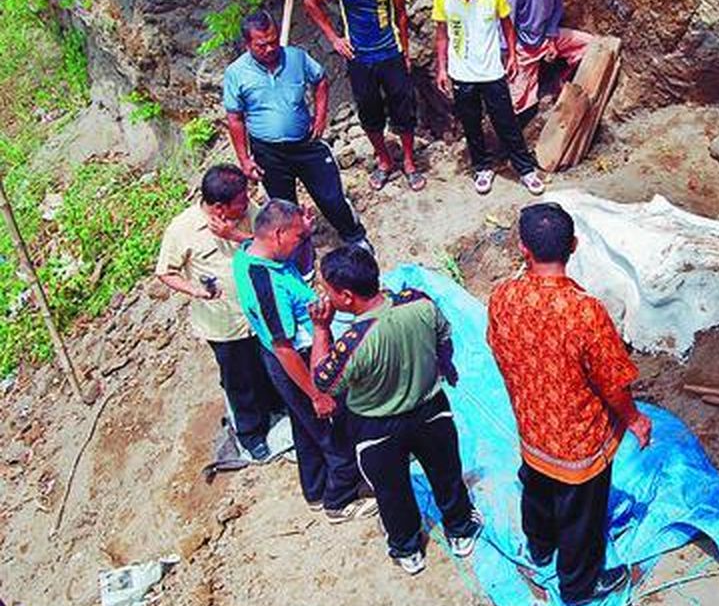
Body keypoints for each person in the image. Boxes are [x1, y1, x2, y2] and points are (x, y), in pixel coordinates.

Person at [486, 202, 652, 606]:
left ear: (523, 248)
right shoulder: (585, 312)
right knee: (582, 517)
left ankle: (540, 548)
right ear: (574, 246)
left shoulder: (504, 296)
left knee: (537, 488)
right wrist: (634, 419)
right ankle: (578, 588)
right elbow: (612, 380)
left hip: (531, 425)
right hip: (577, 439)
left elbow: (496, 347)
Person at [309, 245, 482, 575]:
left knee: (392, 491)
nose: (324, 295)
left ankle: (407, 548)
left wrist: (320, 330)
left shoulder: (354, 341)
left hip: (376, 428)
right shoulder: (419, 302)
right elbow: (444, 335)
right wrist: (444, 365)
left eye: (327, 289)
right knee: (446, 474)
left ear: (345, 297)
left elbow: (323, 383)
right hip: (431, 410)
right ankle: (460, 529)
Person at [231, 199, 376, 522]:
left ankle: (315, 489)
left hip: (292, 355)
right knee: (330, 429)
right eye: (298, 237)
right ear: (279, 234)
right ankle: (339, 500)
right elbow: (283, 346)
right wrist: (316, 393)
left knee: (304, 426)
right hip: (296, 361)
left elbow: (252, 242)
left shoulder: (249, 254)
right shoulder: (265, 284)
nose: (302, 242)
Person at [155, 164, 281, 461]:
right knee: (239, 379)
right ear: (219, 207)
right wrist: (195, 290)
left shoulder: (248, 211)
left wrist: (235, 234)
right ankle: (251, 433)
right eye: (240, 201)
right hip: (222, 322)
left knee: (267, 363)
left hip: (258, 312)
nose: (247, 203)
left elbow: (266, 244)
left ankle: (276, 406)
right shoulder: (182, 230)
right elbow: (165, 272)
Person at [223, 10, 371, 253]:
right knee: (284, 209)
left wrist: (321, 117)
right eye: (262, 45)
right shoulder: (236, 73)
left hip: (306, 143)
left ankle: (354, 236)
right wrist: (244, 159)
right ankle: (299, 253)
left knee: (331, 197)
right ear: (248, 44)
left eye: (273, 41)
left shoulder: (297, 58)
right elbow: (235, 118)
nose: (270, 49)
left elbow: (320, 80)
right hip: (268, 152)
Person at [303, 0, 425, 192]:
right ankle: (383, 160)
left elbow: (401, 14)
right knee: (369, 110)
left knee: (403, 107)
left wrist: (405, 51)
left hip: (390, 52)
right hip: (359, 57)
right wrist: (335, 38)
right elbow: (311, 2)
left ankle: (408, 160)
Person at [432, 0, 545, 197]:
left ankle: (525, 169)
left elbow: (507, 24)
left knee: (506, 122)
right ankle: (482, 167)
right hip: (461, 72)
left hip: (492, 70)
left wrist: (513, 56)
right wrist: (442, 68)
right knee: (471, 124)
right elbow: (441, 35)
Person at [505, 0, 596, 122]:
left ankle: (562, 83)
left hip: (545, 37)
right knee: (519, 101)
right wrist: (510, 55)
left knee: (590, 44)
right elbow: (507, 22)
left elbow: (556, 11)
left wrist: (552, 40)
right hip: (523, 46)